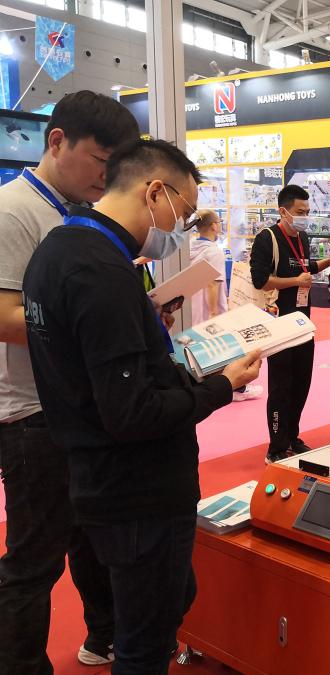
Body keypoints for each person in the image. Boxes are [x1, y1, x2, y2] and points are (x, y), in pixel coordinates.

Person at [22, 138, 261, 673]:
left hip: (95, 474)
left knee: (156, 608)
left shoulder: (59, 249)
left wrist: (146, 326)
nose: (181, 226)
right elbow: (132, 413)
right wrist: (221, 387)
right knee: (145, 640)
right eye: (183, 210)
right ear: (155, 192)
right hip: (137, 489)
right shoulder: (100, 270)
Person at [0, 90, 139, 673]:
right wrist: (99, 326)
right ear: (57, 141)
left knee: (91, 537)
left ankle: (103, 635)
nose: (107, 177)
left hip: (76, 406)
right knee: (34, 560)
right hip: (31, 413)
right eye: (100, 161)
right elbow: (6, 317)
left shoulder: (76, 213)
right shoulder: (15, 211)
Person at [250, 185, 330, 464]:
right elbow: (260, 281)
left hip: (303, 323)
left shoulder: (303, 237)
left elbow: (306, 267)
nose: (304, 217)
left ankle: (292, 436)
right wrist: (296, 281)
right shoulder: (267, 238)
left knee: (301, 383)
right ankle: (276, 445)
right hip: (278, 323)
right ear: (283, 211)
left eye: (307, 212)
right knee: (281, 386)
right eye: (300, 212)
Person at [191, 211, 262, 402]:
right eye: (219, 222)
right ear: (214, 226)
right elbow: (212, 283)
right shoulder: (213, 251)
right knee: (225, 347)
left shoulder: (191, 248)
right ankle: (236, 387)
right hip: (210, 308)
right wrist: (214, 312)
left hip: (193, 307)